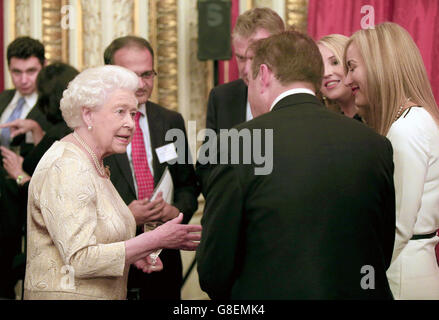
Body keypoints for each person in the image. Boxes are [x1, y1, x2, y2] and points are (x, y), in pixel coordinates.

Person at [196, 30, 395, 299]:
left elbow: (214, 269)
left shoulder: (236, 145)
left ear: (263, 75)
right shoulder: (375, 144)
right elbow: (381, 248)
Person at [23, 65, 202, 300]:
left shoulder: (92, 162)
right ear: (88, 115)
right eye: (120, 112)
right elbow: (80, 259)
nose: (131, 123)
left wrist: (135, 254)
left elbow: (98, 238)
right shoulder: (67, 165)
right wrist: (155, 239)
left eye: (133, 114)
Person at [344, 22, 439, 299]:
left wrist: (356, 276)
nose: (348, 80)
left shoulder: (406, 128)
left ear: (379, 64)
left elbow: (396, 228)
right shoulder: (415, 120)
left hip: (401, 277)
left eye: (351, 67)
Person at [103, 36, 199, 300]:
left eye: (148, 74)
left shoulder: (170, 121)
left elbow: (187, 184)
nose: (142, 84)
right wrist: (126, 216)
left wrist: (175, 211)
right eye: (133, 76)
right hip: (115, 261)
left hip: (164, 260)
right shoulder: (95, 125)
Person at [0, 62, 79, 299]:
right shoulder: (74, 128)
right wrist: (36, 130)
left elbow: (45, 192)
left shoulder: (57, 134)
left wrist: (20, 175)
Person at [196, 7, 285, 197]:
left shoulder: (298, 97)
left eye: (254, 58)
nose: (246, 69)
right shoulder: (221, 97)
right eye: (240, 58)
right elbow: (206, 167)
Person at [0, 36, 50, 299]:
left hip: (28, 199)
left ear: (42, 67)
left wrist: (37, 131)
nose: (23, 79)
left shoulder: (50, 106)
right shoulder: (4, 99)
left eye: (31, 71)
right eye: (16, 72)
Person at [317, 34, 361, 121]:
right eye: (319, 66)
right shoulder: (322, 123)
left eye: (335, 62)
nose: (325, 73)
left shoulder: (380, 118)